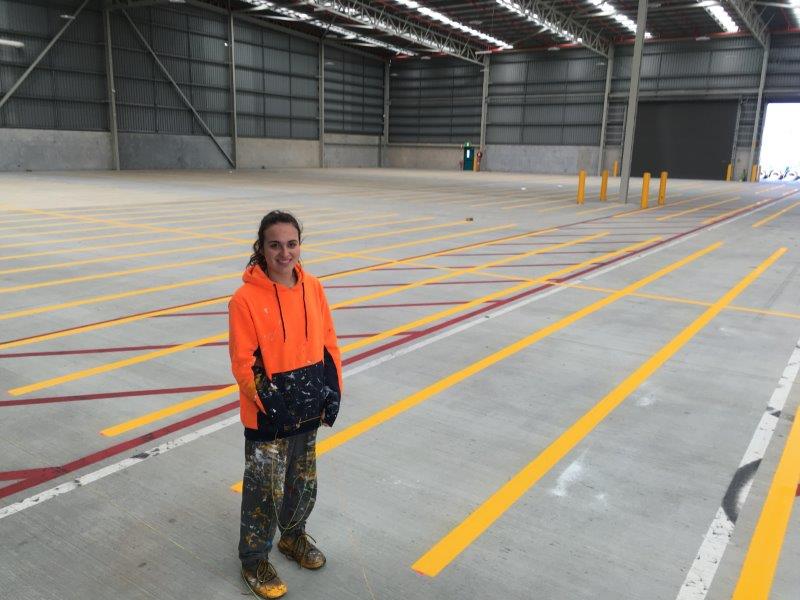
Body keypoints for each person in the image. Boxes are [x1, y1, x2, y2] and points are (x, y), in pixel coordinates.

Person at [229, 210, 342, 599]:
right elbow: (243, 362)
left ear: (300, 245)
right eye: (274, 245)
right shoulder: (244, 300)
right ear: (260, 248)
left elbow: (328, 342)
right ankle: (253, 558)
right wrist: (269, 402)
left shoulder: (314, 287)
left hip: (308, 408)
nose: (284, 253)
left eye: (291, 244)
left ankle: (292, 537)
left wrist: (332, 387)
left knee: (302, 480)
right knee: (263, 489)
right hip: (270, 414)